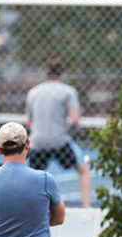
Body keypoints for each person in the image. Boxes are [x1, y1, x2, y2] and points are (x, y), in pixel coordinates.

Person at [25, 61, 92, 208]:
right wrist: (64, 126)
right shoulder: (68, 91)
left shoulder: (33, 92)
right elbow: (75, 119)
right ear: (62, 74)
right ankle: (87, 207)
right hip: (59, 142)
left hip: (37, 142)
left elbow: (29, 122)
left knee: (33, 178)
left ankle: (31, 208)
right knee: (83, 170)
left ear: (46, 73)